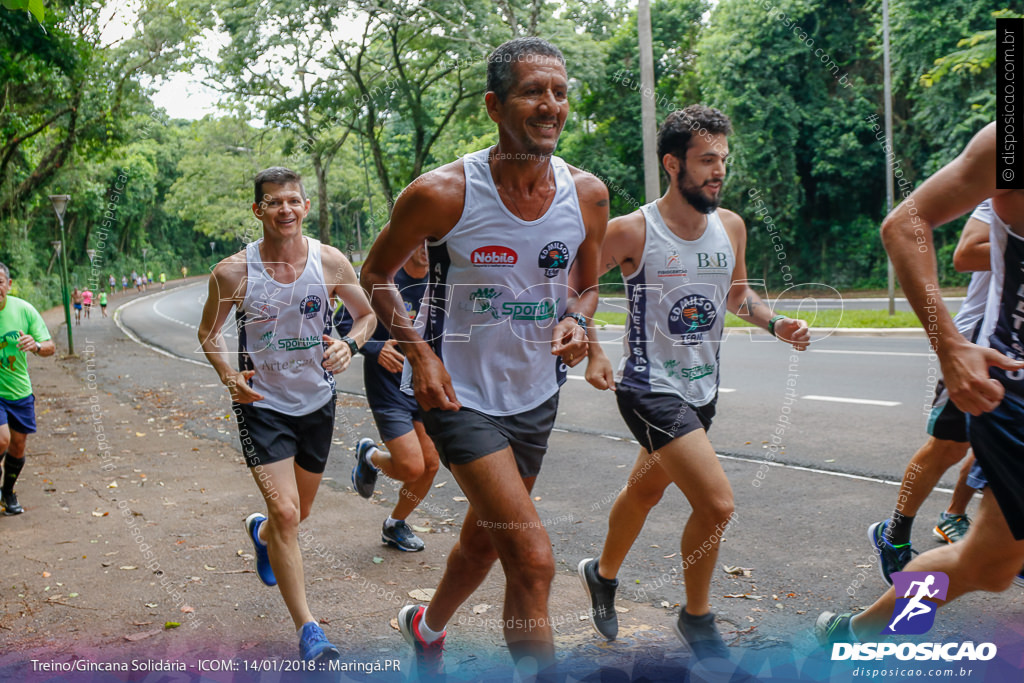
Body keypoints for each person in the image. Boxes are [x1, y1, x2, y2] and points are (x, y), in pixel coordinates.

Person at [360, 37, 606, 679]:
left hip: (536, 393)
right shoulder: (442, 193)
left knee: (483, 541)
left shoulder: (587, 195)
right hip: (456, 393)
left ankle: (427, 625)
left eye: (559, 91)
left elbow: (587, 282)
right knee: (532, 557)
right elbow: (376, 275)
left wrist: (578, 320)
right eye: (533, 91)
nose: (551, 105)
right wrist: (419, 354)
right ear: (495, 105)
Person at [576, 106, 810, 663]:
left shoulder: (730, 226)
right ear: (672, 163)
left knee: (646, 490)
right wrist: (592, 349)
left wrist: (774, 323)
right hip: (648, 387)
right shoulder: (632, 230)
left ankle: (601, 574)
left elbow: (736, 295)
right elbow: (576, 285)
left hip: (702, 388)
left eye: (722, 160)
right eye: (707, 160)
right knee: (718, 504)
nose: (717, 171)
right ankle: (696, 615)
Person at [816, 122, 1024, 645]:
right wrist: (950, 346)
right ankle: (895, 534)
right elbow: (908, 223)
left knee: (991, 565)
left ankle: (857, 630)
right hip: (1007, 384)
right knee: (942, 454)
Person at [197, 166, 376, 662]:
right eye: (274, 202)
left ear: (305, 206)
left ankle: (262, 535)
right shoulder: (233, 272)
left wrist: (349, 344)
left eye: (293, 201)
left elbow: (367, 316)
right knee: (287, 512)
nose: (285, 210)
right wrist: (229, 376)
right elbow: (208, 335)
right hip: (262, 406)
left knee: (296, 518)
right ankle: (309, 629)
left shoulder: (332, 262)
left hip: (317, 403)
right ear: (258, 210)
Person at [867, 204, 993, 584]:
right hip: (980, 341)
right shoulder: (1003, 198)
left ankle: (1001, 543)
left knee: (1005, 450)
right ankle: (894, 535)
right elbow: (965, 254)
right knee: (949, 448)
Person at [337, 242, 439, 552]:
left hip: (425, 385)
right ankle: (370, 457)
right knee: (411, 467)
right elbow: (344, 324)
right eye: (418, 241)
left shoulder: (442, 283)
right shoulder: (382, 281)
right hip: (388, 387)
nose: (424, 248)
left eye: (431, 241)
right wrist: (373, 347)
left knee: (431, 464)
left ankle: (395, 524)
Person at [0, 263, 56, 515]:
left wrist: (35, 345)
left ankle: (7, 493)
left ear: (8, 285)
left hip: (19, 389)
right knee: (2, 439)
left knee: (17, 446)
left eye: (0, 282)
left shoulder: (24, 310)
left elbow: (50, 347)